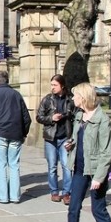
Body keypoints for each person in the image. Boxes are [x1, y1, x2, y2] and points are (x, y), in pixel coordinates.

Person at [52, 83, 111, 222]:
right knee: (73, 207)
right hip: (79, 169)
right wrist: (71, 145)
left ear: (83, 98)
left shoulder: (102, 120)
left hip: (96, 170)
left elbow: (106, 152)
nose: (73, 98)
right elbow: (77, 140)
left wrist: (99, 178)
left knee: (98, 209)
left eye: (75, 96)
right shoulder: (79, 116)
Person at [0, 70, 31, 204]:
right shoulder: (17, 94)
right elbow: (27, 118)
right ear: (7, 80)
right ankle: (15, 196)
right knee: (14, 165)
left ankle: (3, 196)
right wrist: (24, 133)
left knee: (1, 165)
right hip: (16, 134)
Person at [36, 74, 75, 204]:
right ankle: (54, 192)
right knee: (52, 166)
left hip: (65, 137)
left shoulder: (70, 100)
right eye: (51, 85)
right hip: (50, 137)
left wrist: (72, 137)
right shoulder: (47, 99)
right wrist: (51, 119)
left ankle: (66, 193)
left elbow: (74, 118)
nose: (52, 87)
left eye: (55, 85)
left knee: (67, 166)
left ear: (62, 85)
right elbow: (39, 117)